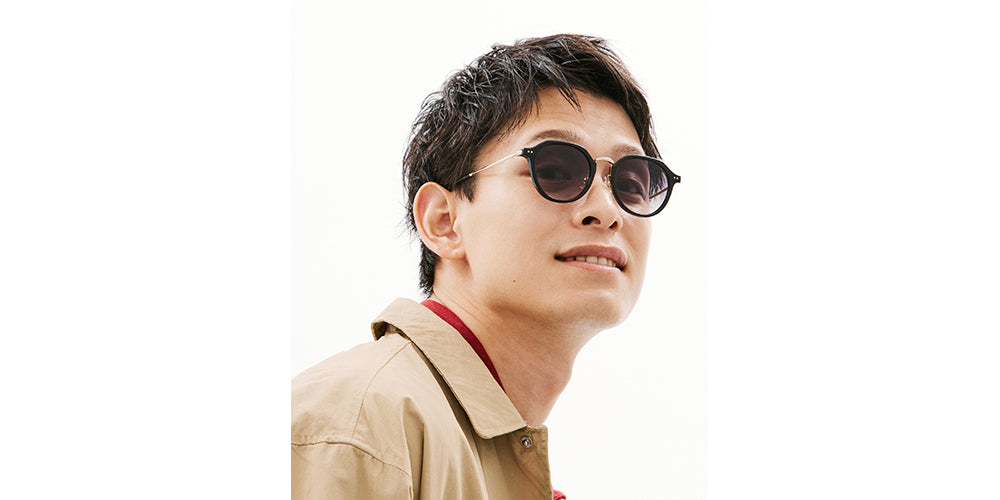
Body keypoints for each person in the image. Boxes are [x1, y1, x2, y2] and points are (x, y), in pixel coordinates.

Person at [291, 33, 681, 499]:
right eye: (555, 170)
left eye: (632, 182)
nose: (607, 210)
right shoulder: (357, 427)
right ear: (444, 221)